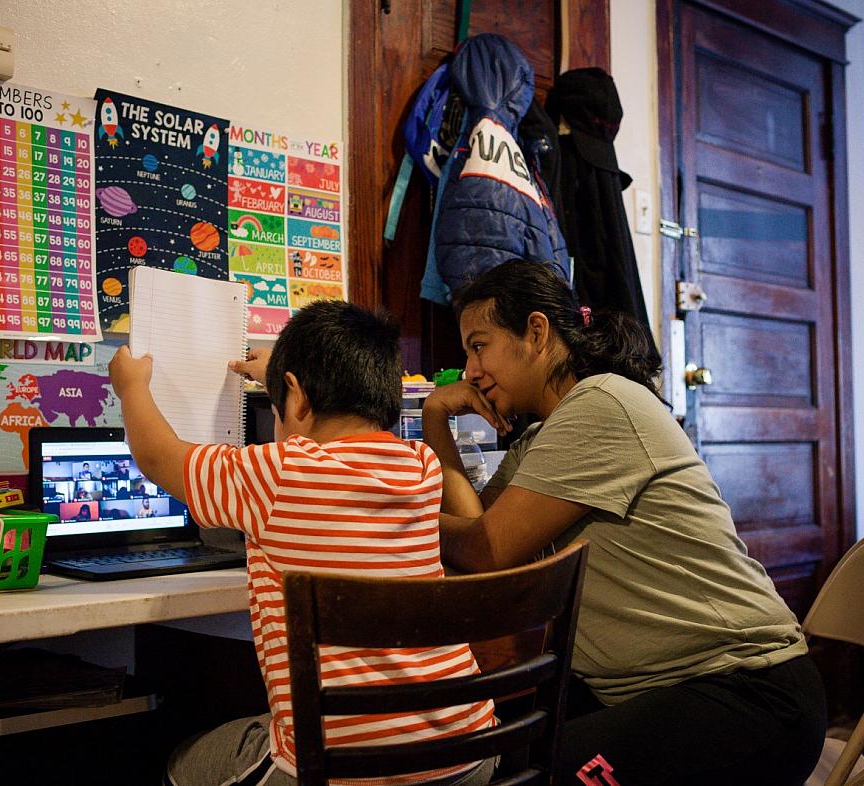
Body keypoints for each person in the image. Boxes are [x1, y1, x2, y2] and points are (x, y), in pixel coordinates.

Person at [422, 259, 826, 786]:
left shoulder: (601, 404)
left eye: (479, 346)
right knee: (493, 754)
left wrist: (415, 522)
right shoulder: (546, 434)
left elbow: (485, 549)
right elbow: (480, 540)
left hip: (746, 692)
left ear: (537, 332)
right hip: (659, 690)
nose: (471, 370)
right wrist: (436, 418)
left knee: (520, 777)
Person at [109, 299, 496, 786]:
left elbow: (157, 455)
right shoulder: (418, 466)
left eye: (277, 411)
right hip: (470, 755)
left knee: (180, 761)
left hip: (335, 772)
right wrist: (289, 380)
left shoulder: (277, 472)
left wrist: (131, 387)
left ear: (296, 400)